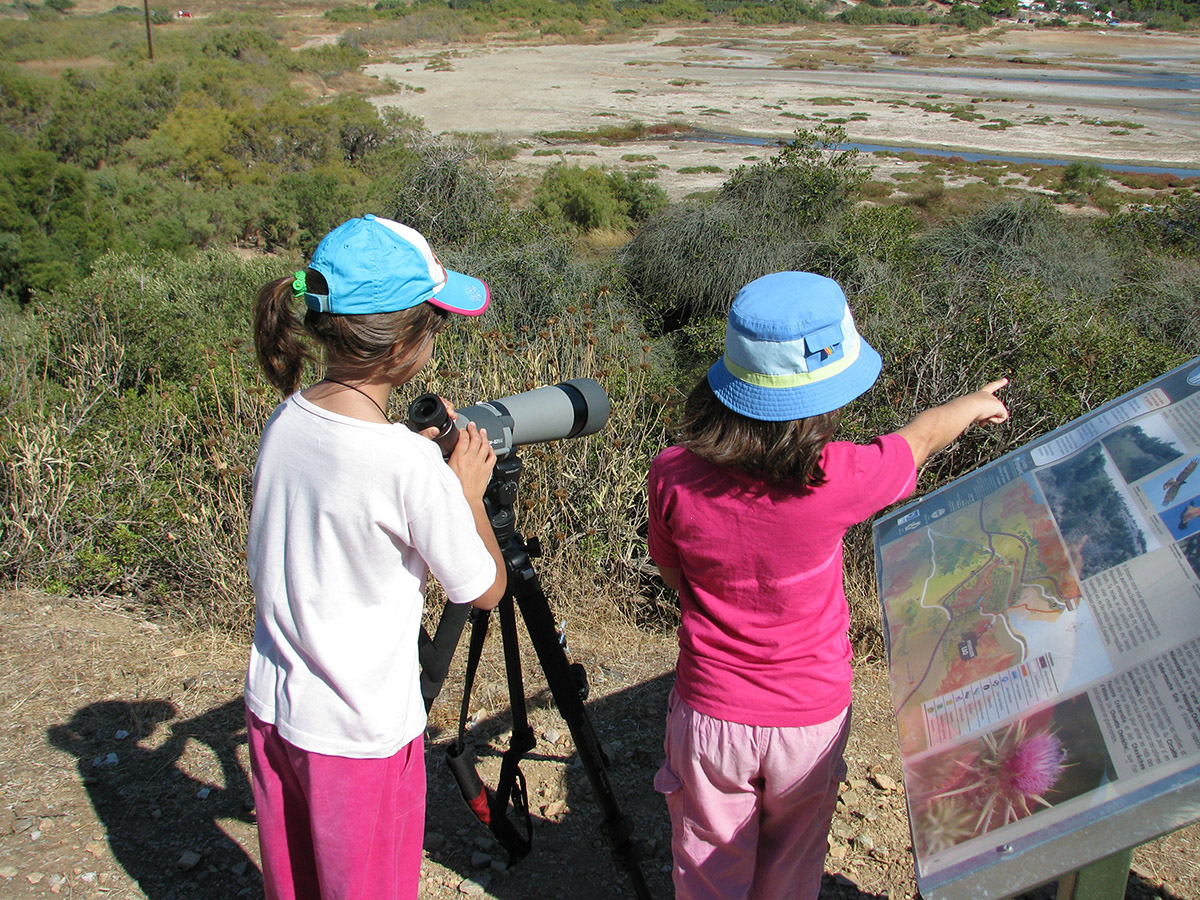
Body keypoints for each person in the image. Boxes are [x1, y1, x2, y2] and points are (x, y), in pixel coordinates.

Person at [647, 271, 1008, 900]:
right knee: (793, 861)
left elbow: (673, 571)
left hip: (711, 712)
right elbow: (917, 440)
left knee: (706, 861)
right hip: (811, 716)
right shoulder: (840, 478)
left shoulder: (674, 474)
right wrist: (973, 404)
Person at [245, 214, 507, 900]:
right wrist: (467, 492)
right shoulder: (410, 464)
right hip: (357, 739)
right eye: (437, 325)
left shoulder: (287, 418)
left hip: (274, 712)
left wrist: (418, 454)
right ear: (408, 348)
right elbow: (482, 588)